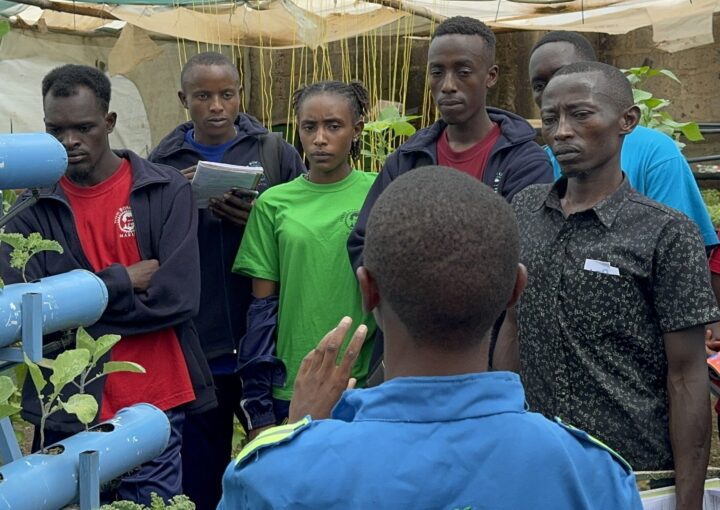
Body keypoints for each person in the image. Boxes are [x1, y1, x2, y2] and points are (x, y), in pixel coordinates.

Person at [217, 166, 643, 509]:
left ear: (367, 290)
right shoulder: (591, 474)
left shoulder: (274, 477)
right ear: (515, 291)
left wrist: (297, 434)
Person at [496, 61, 718, 510]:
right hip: (536, 470)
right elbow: (513, 326)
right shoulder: (524, 211)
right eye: (550, 118)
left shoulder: (665, 233)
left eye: (580, 115)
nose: (561, 131)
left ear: (627, 121)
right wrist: (503, 426)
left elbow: (687, 375)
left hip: (633, 479)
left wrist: (688, 502)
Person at [0, 64, 215, 504]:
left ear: (110, 122)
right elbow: (34, 319)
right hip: (68, 401)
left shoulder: (164, 189)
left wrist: (76, 306)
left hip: (153, 396)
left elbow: (176, 298)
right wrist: (123, 280)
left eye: (84, 128)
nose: (69, 141)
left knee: (149, 504)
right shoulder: (28, 211)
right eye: (55, 130)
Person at [347, 16, 552, 378]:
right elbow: (364, 241)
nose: (448, 86)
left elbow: (523, 253)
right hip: (406, 353)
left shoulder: (524, 162)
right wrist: (415, 305)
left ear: (491, 76)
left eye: (463, 71)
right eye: (437, 72)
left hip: (487, 357)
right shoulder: (407, 158)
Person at [148, 51, 305, 510]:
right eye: (203, 96)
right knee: (201, 469)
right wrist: (175, 197)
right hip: (201, 341)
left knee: (278, 459)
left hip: (267, 339)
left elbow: (300, 223)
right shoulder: (162, 163)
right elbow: (149, 243)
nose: (216, 106)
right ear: (183, 100)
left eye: (226, 95)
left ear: (241, 95)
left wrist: (260, 217)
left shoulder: (275, 153)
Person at [232, 81, 377, 425]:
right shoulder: (273, 203)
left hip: (365, 379)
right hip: (295, 381)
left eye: (334, 126)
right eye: (309, 127)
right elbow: (262, 308)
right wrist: (259, 404)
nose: (320, 139)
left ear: (357, 130)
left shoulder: (378, 191)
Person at [528, 30, 718, 249]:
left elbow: (683, 249)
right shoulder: (542, 162)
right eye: (540, 85)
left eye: (566, 74)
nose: (553, 91)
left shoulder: (655, 153)